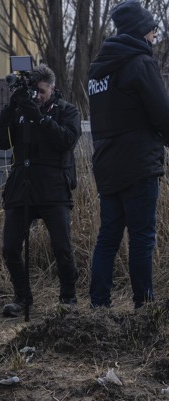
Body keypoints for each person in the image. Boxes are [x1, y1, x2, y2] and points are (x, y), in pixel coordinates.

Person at [88, 0, 169, 309]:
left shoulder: (98, 71)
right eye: (152, 32)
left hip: (107, 166)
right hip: (138, 163)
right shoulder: (140, 63)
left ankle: (98, 306)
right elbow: (162, 114)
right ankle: (144, 307)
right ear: (140, 31)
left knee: (108, 237)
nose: (154, 39)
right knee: (143, 237)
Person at [0, 63, 81, 318]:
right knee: (10, 247)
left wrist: (37, 116)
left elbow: (65, 140)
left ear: (52, 87)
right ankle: (22, 297)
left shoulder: (66, 111)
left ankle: (68, 298)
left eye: (41, 91)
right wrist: (11, 107)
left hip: (53, 187)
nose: (36, 96)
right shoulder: (20, 110)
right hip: (21, 186)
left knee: (62, 246)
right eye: (33, 91)